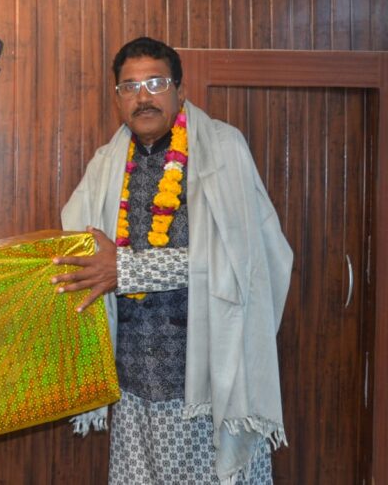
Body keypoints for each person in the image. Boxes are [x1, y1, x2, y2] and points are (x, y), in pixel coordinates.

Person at [55, 37, 292, 485]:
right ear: (117, 99)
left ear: (180, 91)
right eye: (129, 87)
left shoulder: (222, 151)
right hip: (133, 384)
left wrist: (126, 270)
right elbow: (79, 254)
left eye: (156, 83)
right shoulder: (106, 164)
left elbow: (236, 259)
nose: (142, 97)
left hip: (207, 384)